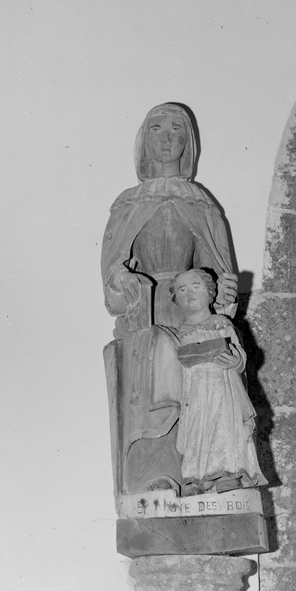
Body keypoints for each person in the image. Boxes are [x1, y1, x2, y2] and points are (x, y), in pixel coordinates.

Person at [101, 103, 238, 494]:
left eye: (176, 129)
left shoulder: (200, 203)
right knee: (162, 350)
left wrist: (224, 292)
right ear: (143, 141)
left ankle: (206, 471)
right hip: (144, 315)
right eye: (156, 128)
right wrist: (123, 280)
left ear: (187, 142)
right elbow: (112, 270)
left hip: (191, 309)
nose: (166, 137)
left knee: (202, 354)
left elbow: (216, 271)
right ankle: (158, 472)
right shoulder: (129, 203)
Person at [171, 269, 267, 496]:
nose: (189, 293)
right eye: (182, 290)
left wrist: (235, 360)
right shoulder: (179, 333)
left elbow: (239, 354)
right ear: (176, 299)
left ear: (210, 293)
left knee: (222, 426)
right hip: (194, 391)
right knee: (196, 428)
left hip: (221, 388)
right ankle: (196, 477)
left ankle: (226, 473)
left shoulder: (220, 324)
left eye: (195, 286)